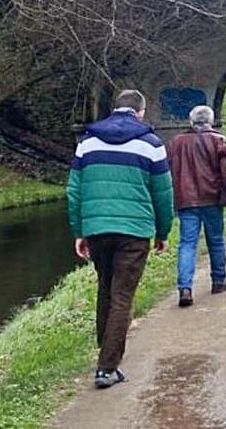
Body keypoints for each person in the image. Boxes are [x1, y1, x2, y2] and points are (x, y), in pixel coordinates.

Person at [67, 89, 174, 389]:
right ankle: (107, 367)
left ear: (115, 109)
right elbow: (163, 194)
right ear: (140, 112)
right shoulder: (152, 144)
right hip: (135, 231)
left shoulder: (87, 144)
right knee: (122, 296)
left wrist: (79, 231)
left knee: (106, 289)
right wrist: (163, 232)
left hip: (97, 228)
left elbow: (74, 190)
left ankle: (106, 353)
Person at [166, 105, 226, 307]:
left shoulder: (176, 143)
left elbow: (167, 173)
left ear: (191, 122)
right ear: (210, 121)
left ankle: (185, 288)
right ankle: (218, 281)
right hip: (212, 199)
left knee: (187, 244)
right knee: (216, 241)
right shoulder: (219, 141)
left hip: (185, 201)